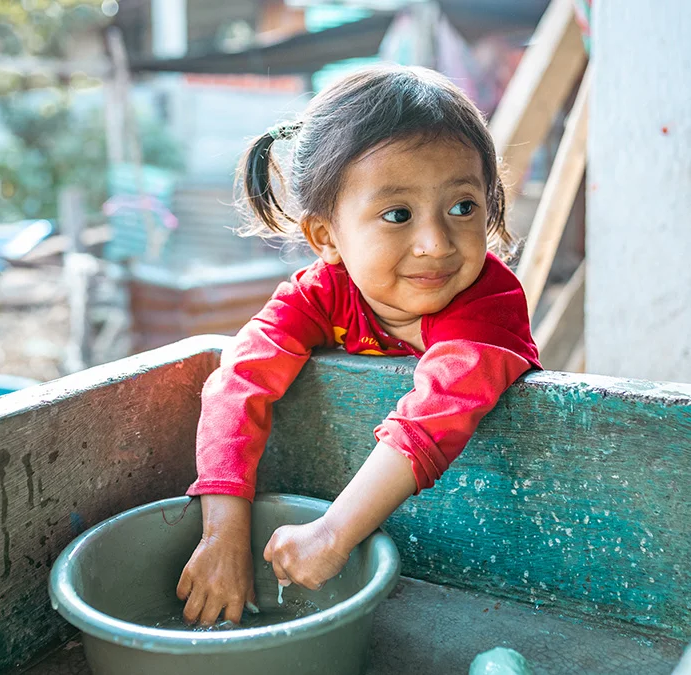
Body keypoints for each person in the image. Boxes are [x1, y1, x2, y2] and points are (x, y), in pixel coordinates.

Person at [176, 65, 540, 626]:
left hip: (506, 553)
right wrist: (224, 534)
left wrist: (332, 532)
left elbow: (432, 419)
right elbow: (237, 382)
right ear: (326, 236)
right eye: (398, 215)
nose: (435, 243)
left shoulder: (488, 304)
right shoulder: (320, 296)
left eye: (462, 206)